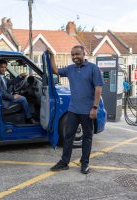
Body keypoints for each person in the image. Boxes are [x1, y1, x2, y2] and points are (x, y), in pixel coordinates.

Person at [49, 45, 103, 174]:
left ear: (84, 54)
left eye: (77, 54)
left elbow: (98, 88)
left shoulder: (93, 69)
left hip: (87, 110)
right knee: (68, 137)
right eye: (73, 55)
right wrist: (52, 55)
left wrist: (94, 108)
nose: (75, 57)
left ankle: (84, 163)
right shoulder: (70, 69)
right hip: (73, 110)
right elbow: (55, 70)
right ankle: (64, 162)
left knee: (87, 138)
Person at [0, 60, 37, 124]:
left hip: (7, 96)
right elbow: (2, 93)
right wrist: (13, 96)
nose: (4, 69)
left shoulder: (2, 76)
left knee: (21, 95)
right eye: (2, 67)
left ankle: (27, 115)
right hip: (3, 101)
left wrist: (20, 76)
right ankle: (29, 118)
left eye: (5, 67)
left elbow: (11, 82)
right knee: (23, 99)